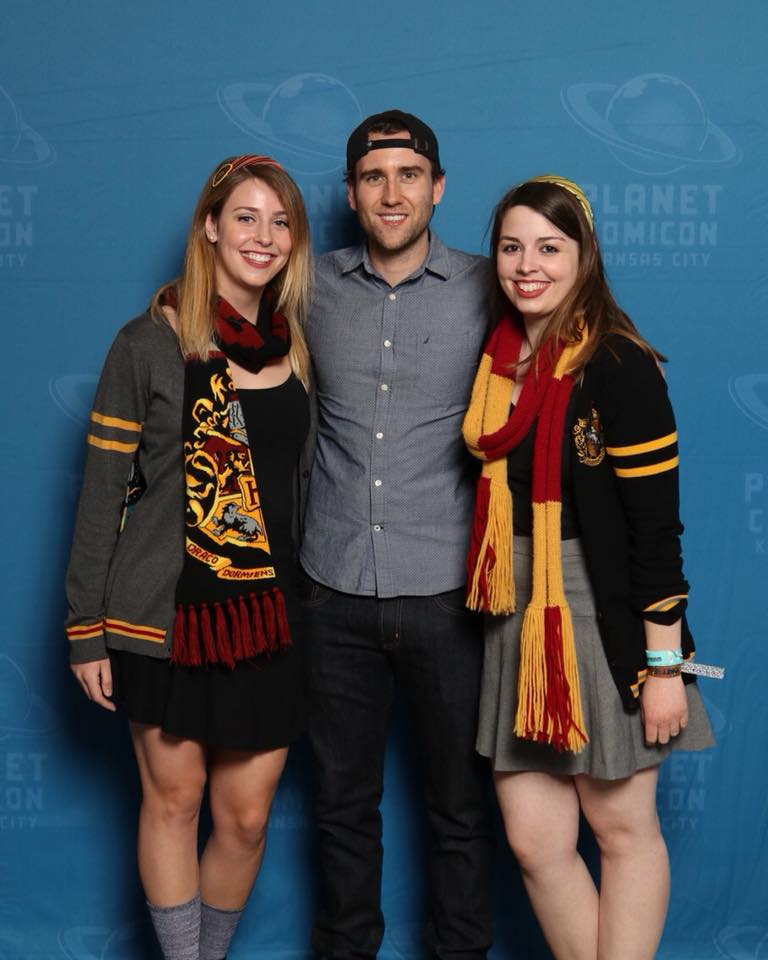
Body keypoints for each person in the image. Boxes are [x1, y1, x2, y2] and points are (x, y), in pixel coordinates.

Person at [65, 154, 315, 960]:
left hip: (268, 618)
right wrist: (85, 629)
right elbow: (103, 491)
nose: (263, 236)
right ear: (209, 226)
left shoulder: (294, 345)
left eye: (280, 223)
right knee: (173, 803)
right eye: (245, 217)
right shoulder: (148, 341)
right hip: (161, 616)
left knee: (244, 818)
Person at [463, 175, 714, 960]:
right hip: (518, 610)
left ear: (585, 255)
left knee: (621, 828)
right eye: (511, 247)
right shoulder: (499, 359)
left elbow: (656, 531)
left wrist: (665, 663)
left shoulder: (619, 363)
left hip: (602, 614)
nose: (526, 265)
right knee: (536, 841)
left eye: (549, 247)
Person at [299, 109, 493, 960]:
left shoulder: (493, 287)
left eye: (409, 175)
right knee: (342, 808)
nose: (392, 192)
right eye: (374, 177)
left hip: (449, 593)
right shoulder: (305, 285)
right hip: (330, 590)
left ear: (438, 188)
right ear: (350, 193)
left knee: (458, 810)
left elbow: (581, 343)